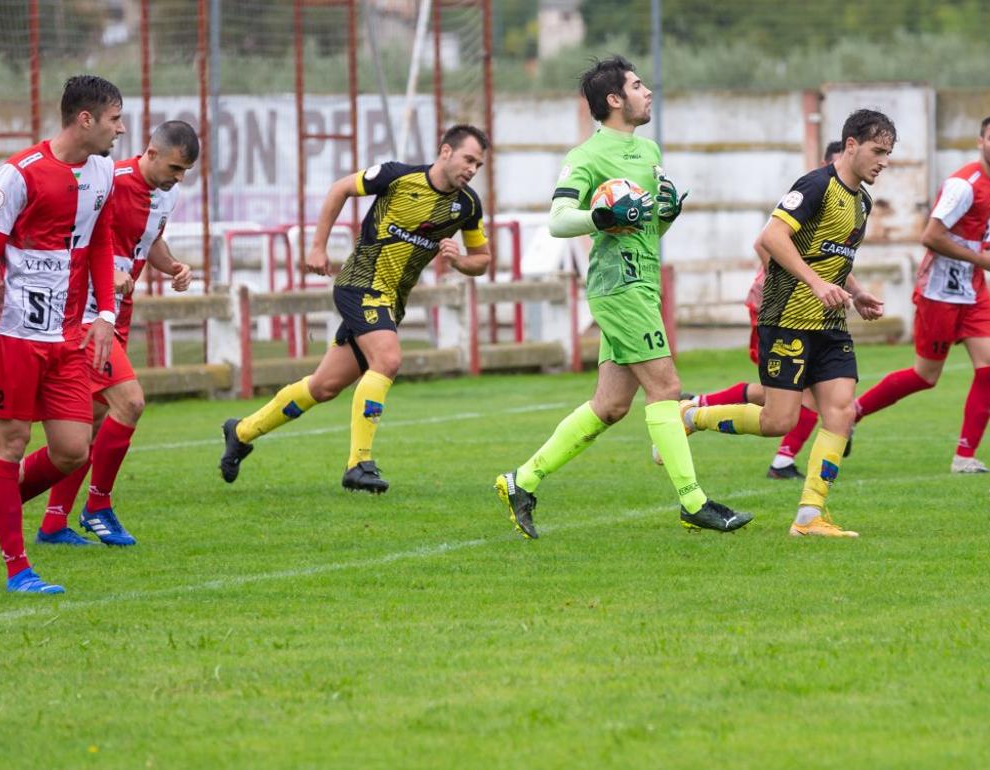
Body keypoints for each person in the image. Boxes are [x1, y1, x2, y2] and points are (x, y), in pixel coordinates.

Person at [494, 55, 752, 538]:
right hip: (620, 285)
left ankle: (521, 481)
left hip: (644, 281)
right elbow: (558, 219)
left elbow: (647, 226)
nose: (648, 91)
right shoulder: (586, 157)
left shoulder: (649, 150)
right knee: (666, 388)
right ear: (615, 100)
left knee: (611, 406)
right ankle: (693, 502)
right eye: (637, 85)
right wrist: (600, 216)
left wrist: (668, 213)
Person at [219, 124, 492, 493]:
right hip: (359, 284)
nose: (472, 169)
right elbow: (341, 188)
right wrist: (317, 247)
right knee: (388, 360)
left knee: (324, 386)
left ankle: (241, 432)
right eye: (468, 159)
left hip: (391, 301)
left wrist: (459, 261)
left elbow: (483, 259)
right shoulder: (398, 176)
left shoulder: (467, 205)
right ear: (445, 151)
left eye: (478, 164)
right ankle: (359, 463)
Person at [679, 109, 893, 538]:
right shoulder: (814, 185)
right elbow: (772, 238)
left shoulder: (862, 201)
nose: (883, 161)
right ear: (850, 144)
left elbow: (833, 255)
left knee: (841, 412)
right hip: (788, 318)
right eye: (877, 150)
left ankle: (810, 515)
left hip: (831, 323)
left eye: (888, 153)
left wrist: (857, 290)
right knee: (779, 420)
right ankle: (690, 417)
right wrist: (814, 283)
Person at [0, 75, 123, 594]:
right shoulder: (19, 174)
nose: (120, 129)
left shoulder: (103, 173)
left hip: (69, 335)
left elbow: (102, 241)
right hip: (16, 333)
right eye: (114, 119)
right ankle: (18, 567)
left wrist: (105, 312)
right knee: (11, 441)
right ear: (84, 119)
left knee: (71, 448)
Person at [37, 121, 198, 547]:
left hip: (115, 316)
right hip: (83, 316)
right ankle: (98, 505)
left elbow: (149, 242)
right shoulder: (110, 181)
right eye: (175, 167)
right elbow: (76, 238)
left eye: (184, 172)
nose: (179, 178)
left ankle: (53, 522)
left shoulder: (168, 193)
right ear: (150, 153)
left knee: (88, 422)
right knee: (131, 402)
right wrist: (109, 271)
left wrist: (174, 266)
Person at [852, 115, 990, 473]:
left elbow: (969, 233)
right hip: (940, 291)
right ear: (980, 141)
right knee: (925, 376)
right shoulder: (964, 184)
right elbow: (931, 236)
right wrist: (980, 258)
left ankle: (964, 457)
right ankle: (854, 412)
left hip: (972, 288)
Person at [675, 141, 844, 480]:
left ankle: (698, 407)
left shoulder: (848, 202)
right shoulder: (814, 189)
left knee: (788, 393)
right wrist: (795, 284)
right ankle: (779, 458)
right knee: (794, 394)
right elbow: (763, 242)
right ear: (830, 162)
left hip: (808, 311)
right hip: (779, 309)